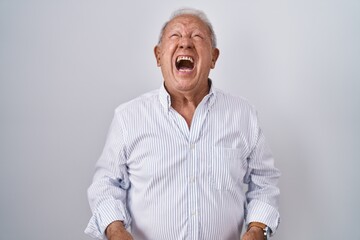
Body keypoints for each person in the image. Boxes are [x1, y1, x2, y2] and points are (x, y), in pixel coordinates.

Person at [85, 8, 280, 240]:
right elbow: (105, 184)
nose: (185, 43)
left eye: (197, 37)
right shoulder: (128, 117)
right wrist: (115, 230)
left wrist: (257, 229)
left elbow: (264, 181)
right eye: (175, 36)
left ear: (214, 58)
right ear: (158, 56)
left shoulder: (243, 115)